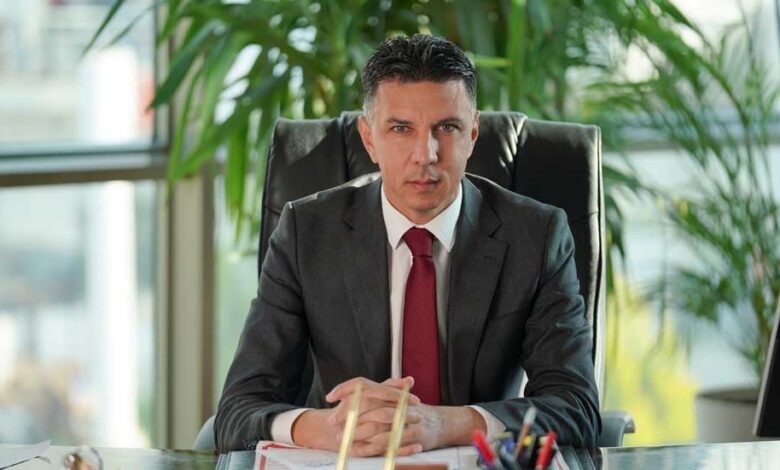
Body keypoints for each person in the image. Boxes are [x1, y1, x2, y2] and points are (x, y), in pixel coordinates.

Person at [215, 34, 601, 455]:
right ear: (369, 139)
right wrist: (323, 429)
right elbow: (238, 410)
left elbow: (576, 408)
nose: (425, 155)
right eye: (401, 129)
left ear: (473, 133)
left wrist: (448, 423)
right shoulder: (306, 233)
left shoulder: (537, 236)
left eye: (447, 128)